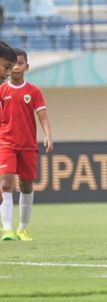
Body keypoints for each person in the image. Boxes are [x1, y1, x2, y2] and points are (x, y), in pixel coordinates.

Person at [0, 48, 52, 241]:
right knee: (6, 183)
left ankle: (23, 228)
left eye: (20, 63)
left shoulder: (34, 91)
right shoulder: (2, 90)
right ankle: (7, 229)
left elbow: (43, 117)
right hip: (6, 143)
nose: (15, 67)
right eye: (12, 64)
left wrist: (48, 135)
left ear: (27, 66)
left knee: (26, 185)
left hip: (28, 145)